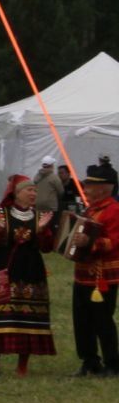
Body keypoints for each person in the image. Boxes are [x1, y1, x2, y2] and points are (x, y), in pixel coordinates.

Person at [0, 175, 57, 376]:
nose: (33, 193)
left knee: (27, 316)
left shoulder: (39, 216)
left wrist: (42, 230)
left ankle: (22, 366)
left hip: (31, 271)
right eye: (29, 190)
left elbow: (48, 247)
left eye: (35, 190)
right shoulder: (1, 213)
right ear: (16, 193)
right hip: (4, 269)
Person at [64, 156, 119, 377]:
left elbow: (114, 241)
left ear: (104, 188)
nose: (86, 188)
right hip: (83, 272)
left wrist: (91, 243)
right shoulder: (90, 210)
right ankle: (89, 360)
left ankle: (113, 363)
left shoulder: (113, 210)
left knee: (102, 319)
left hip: (103, 275)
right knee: (82, 318)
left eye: (90, 185)